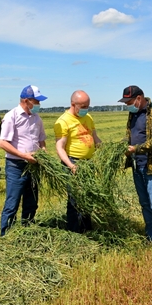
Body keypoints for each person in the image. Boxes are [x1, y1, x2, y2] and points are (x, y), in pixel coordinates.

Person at [118, 85, 152, 253]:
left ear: (139, 98)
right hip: (136, 165)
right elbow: (130, 134)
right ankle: (151, 235)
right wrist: (124, 146)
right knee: (145, 203)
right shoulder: (132, 113)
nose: (128, 105)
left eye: (130, 101)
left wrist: (137, 148)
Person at [0, 85, 48, 236]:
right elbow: (3, 143)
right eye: (36, 101)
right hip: (16, 166)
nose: (39, 104)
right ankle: (5, 235)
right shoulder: (11, 116)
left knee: (31, 202)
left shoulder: (36, 118)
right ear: (26, 101)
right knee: (12, 202)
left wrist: (43, 152)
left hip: (33, 166)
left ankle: (27, 231)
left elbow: (41, 140)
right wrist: (24, 155)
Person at [54, 90, 102, 233]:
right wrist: (71, 165)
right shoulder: (63, 121)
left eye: (87, 106)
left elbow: (95, 137)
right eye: (83, 106)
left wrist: (105, 150)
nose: (85, 109)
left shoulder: (88, 117)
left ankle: (87, 228)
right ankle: (75, 231)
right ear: (73, 104)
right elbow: (59, 147)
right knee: (75, 199)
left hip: (88, 163)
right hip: (73, 162)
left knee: (88, 196)